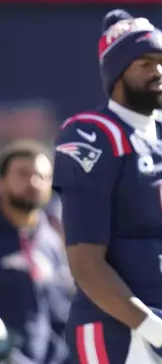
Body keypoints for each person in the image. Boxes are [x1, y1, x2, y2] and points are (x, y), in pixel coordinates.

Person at [52, 9, 162, 364]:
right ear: (116, 73)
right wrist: (156, 330)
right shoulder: (92, 134)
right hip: (118, 326)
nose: (159, 71)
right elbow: (85, 263)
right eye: (144, 62)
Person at [0, 140, 73, 364]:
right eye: (22, 174)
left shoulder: (53, 241)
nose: (33, 182)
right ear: (2, 181)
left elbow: (62, 312)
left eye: (42, 176)